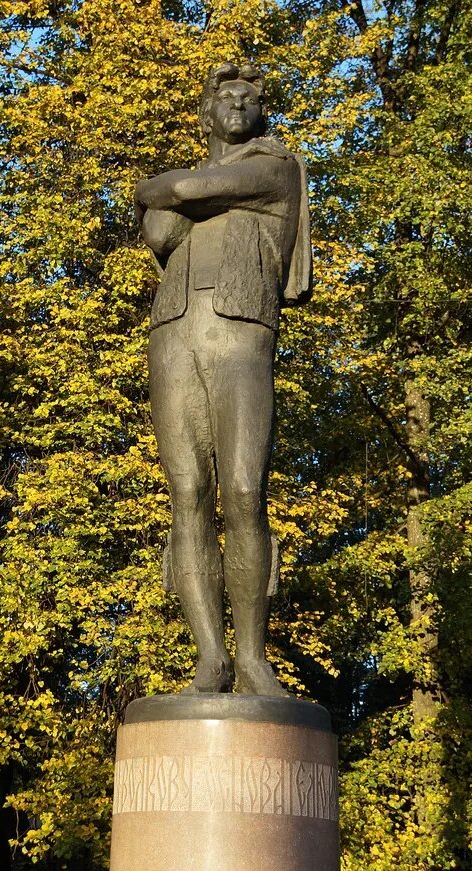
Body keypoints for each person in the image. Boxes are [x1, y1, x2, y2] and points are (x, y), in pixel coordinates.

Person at [134, 62, 312, 695]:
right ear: (206, 114)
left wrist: (178, 189)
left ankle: (254, 659)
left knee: (241, 492)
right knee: (187, 494)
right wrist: (174, 192)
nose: (237, 105)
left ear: (260, 112)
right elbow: (158, 226)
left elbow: (167, 198)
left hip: (241, 330)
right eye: (225, 98)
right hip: (175, 327)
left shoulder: (276, 167)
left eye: (248, 98)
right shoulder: (217, 175)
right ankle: (211, 658)